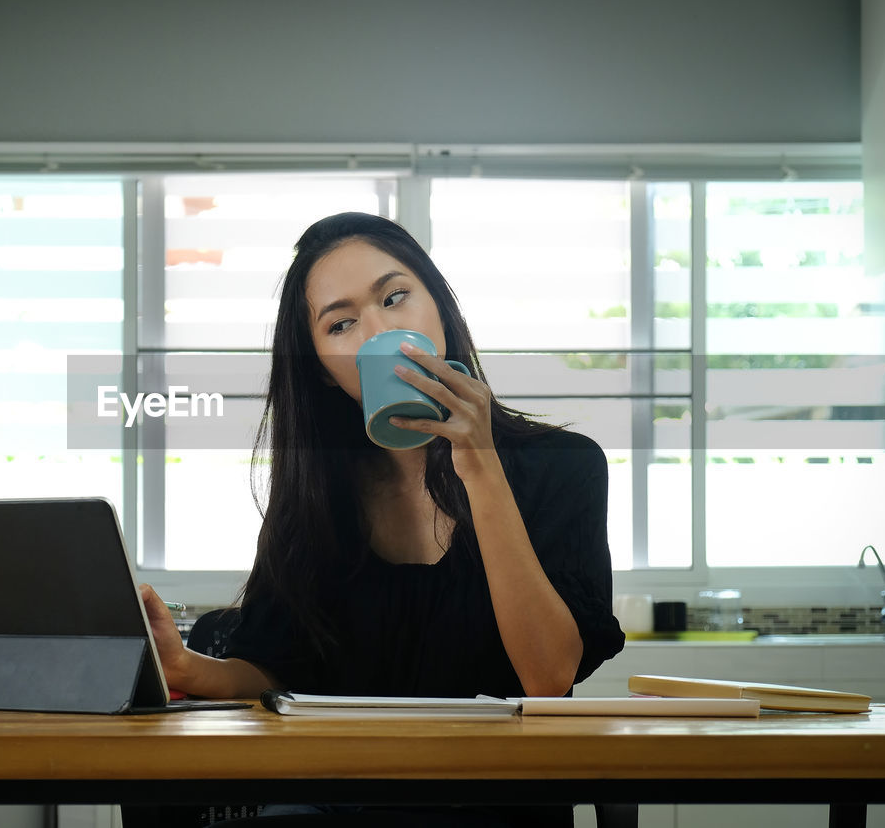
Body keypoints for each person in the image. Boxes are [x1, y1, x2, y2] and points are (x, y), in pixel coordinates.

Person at [140, 212, 624, 827]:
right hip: (329, 795)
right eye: (341, 324)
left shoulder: (562, 467)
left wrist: (480, 468)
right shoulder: (318, 495)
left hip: (488, 803)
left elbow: (548, 675)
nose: (378, 333)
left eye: (395, 297)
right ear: (322, 368)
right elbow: (277, 668)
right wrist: (186, 668)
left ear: (440, 310)